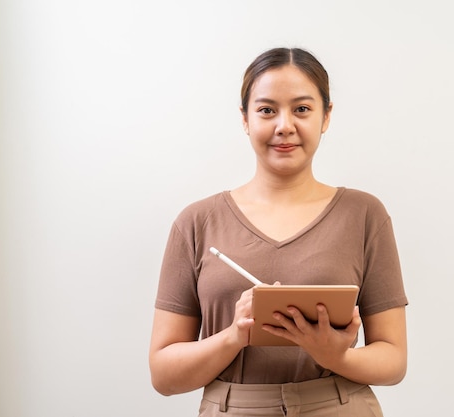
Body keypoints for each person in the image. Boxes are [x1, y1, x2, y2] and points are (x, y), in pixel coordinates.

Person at [149, 47, 408, 417]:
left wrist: (334, 355)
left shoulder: (365, 214)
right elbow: (163, 375)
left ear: (326, 116)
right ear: (245, 119)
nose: (284, 125)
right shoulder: (196, 222)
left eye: (302, 109)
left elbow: (394, 359)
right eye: (267, 110)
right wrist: (235, 335)